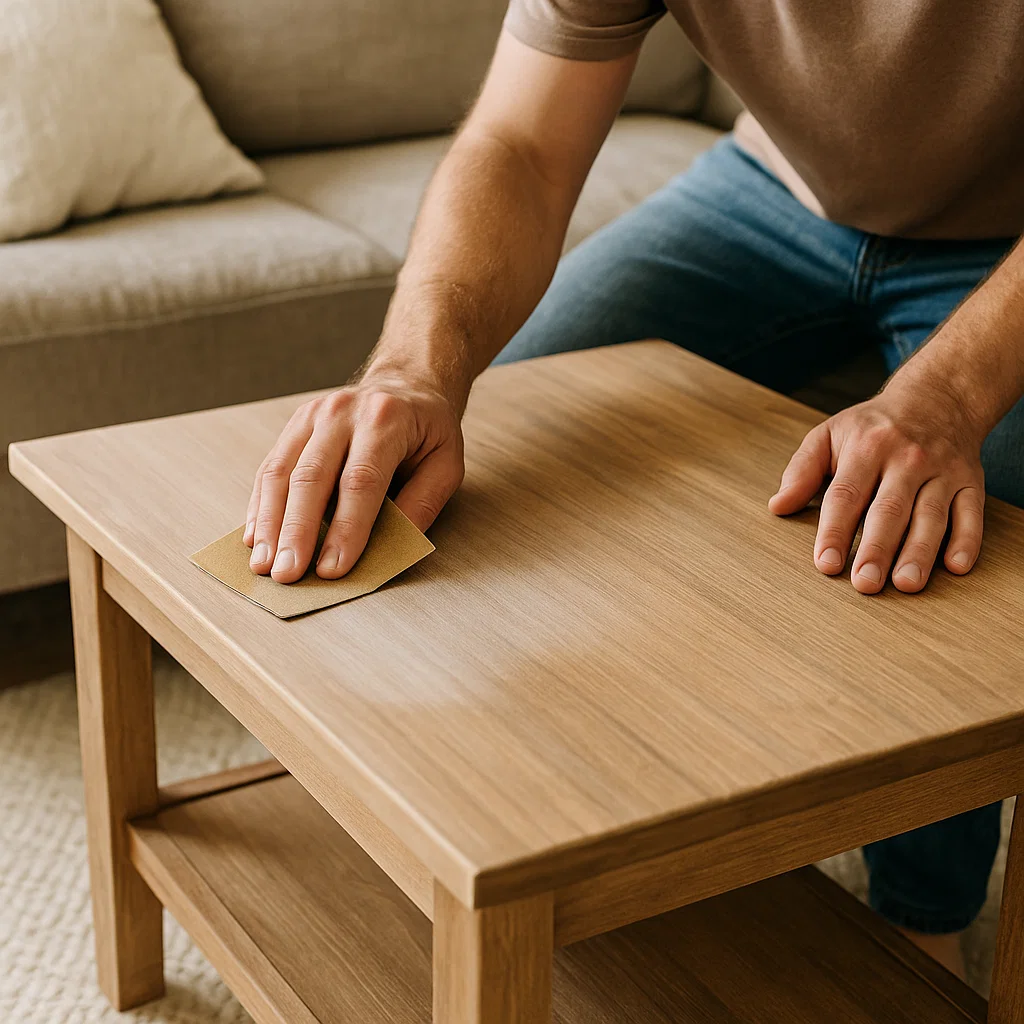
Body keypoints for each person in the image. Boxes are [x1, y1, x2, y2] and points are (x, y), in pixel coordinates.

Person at [242, 2, 1024, 977]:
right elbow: (521, 144)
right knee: (517, 419)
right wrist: (409, 370)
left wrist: (947, 397)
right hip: (774, 191)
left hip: (1005, 248)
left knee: (951, 530)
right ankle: (567, 817)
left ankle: (920, 924)